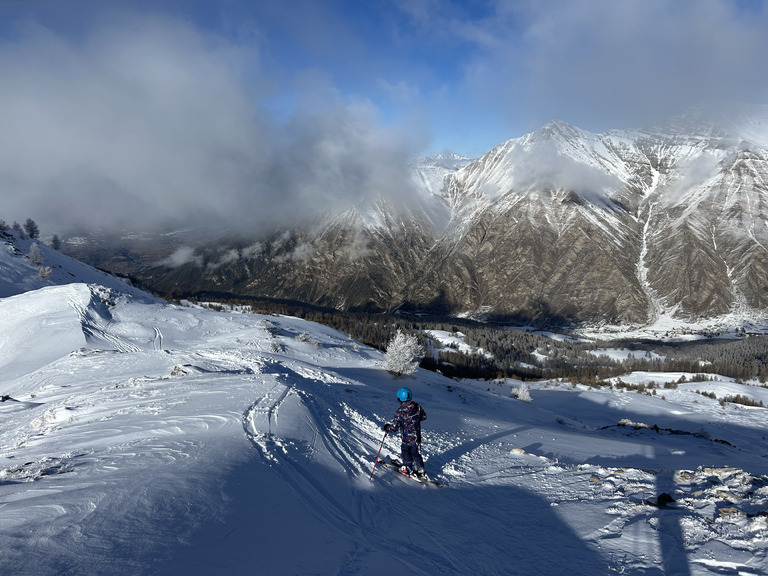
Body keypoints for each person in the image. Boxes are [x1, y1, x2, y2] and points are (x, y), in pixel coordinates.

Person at [383, 387, 428, 478]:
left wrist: (387, 428)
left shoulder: (401, 410)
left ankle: (407, 468)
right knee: (415, 452)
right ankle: (421, 470)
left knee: (405, 451)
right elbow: (424, 417)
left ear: (400, 398)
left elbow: (394, 427)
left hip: (407, 438)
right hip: (416, 437)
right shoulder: (417, 406)